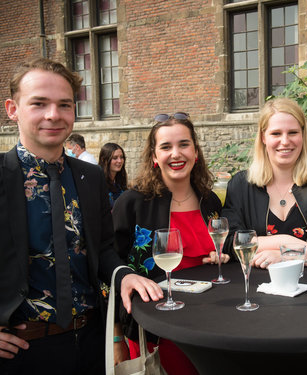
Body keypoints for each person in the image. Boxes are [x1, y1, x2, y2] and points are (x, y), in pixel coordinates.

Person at [0, 58, 162, 375]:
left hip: (89, 342)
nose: (53, 115)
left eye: (64, 104)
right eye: (39, 103)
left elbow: (102, 249)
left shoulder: (90, 177)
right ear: (12, 109)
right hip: (20, 353)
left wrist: (124, 275)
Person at [112, 112, 229, 375]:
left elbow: (217, 251)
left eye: (184, 145)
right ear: (154, 156)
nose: (176, 154)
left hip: (209, 324)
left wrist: (219, 258)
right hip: (156, 329)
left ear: (195, 152)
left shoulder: (209, 202)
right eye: (166, 147)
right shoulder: (132, 203)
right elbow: (110, 267)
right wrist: (116, 337)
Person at [223, 97, 307, 269]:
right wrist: (287, 241)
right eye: (276, 133)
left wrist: (286, 255)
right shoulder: (240, 185)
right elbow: (230, 241)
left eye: (293, 133)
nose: (285, 141)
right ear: (263, 137)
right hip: (256, 286)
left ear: (303, 136)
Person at [99, 142, 128, 208]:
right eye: (115, 158)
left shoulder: (120, 181)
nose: (120, 161)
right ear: (104, 160)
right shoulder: (99, 182)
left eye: (121, 157)